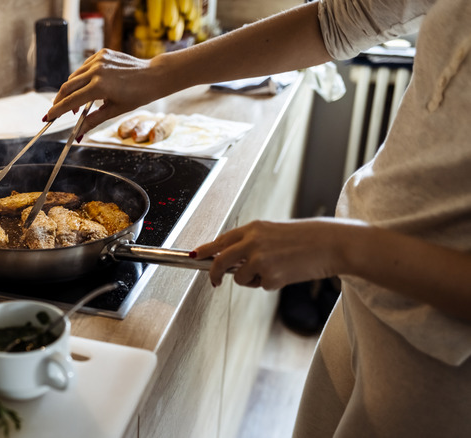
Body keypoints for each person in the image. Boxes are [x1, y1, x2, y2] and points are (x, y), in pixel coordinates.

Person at [46, 0, 471, 435]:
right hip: (368, 287)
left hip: (445, 349)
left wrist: (342, 247)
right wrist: (157, 73)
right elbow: (340, 21)